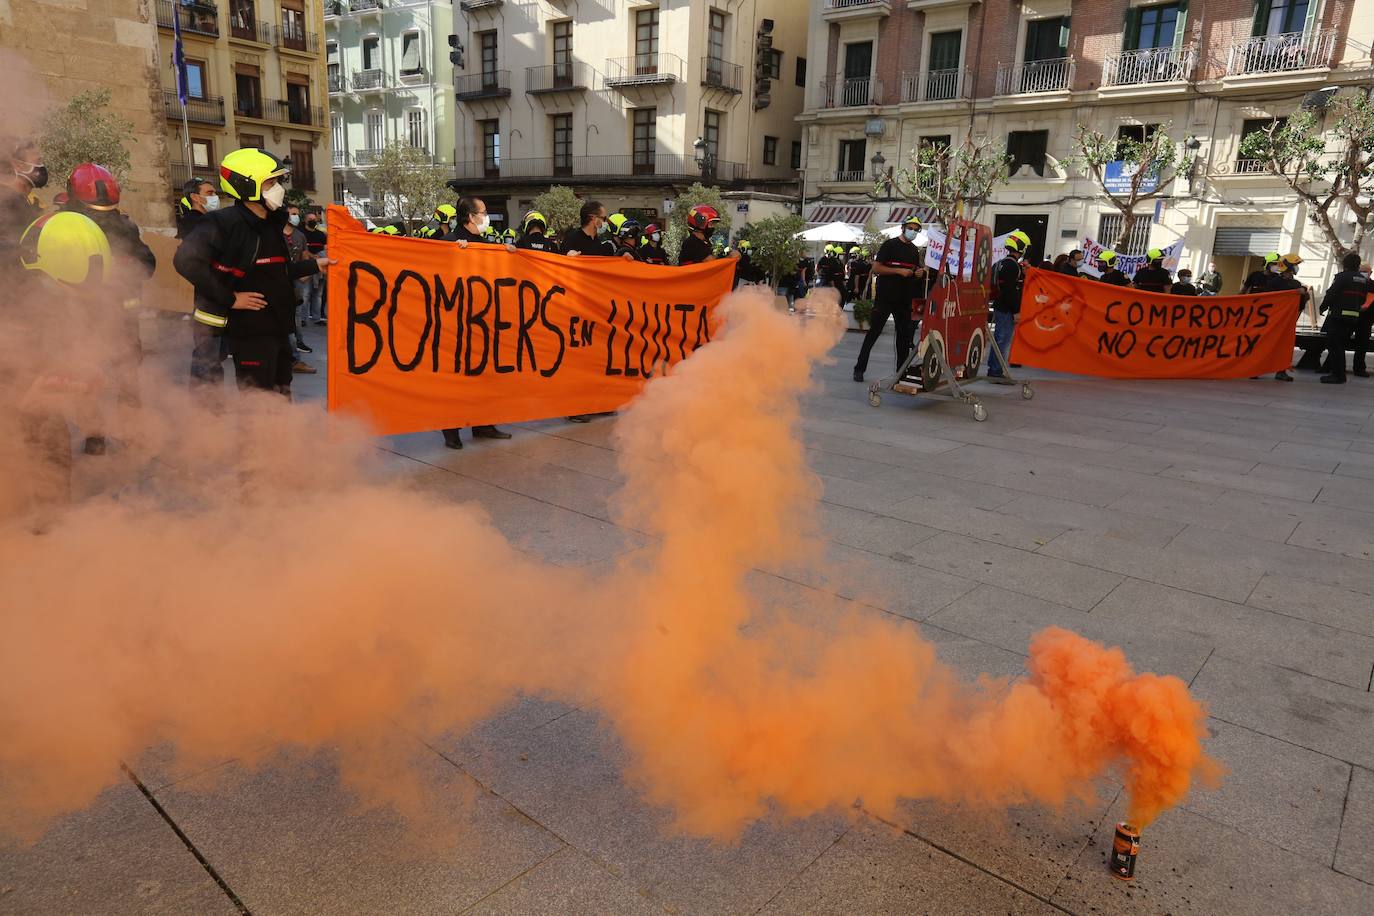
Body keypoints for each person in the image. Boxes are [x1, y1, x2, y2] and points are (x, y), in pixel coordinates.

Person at [174, 148, 331, 398]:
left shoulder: (271, 223)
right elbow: (185, 261)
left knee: (280, 398)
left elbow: (275, 270)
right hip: (251, 332)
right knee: (257, 404)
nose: (278, 188)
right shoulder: (223, 223)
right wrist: (231, 298)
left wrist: (314, 266)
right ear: (246, 185)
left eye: (278, 181)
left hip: (278, 328)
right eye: (270, 182)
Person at [13, 211, 116, 515]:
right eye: (70, 288)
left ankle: (51, 521)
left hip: (35, 381)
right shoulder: (12, 290)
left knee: (49, 439)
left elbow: (59, 337)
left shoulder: (53, 286)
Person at [437, 196, 514, 448]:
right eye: (483, 212)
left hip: (485, 320)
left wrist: (511, 256)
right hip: (457, 323)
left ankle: (483, 423)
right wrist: (453, 255)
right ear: (470, 216)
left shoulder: (484, 243)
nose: (486, 216)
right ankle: (451, 429)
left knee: (485, 375)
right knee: (457, 377)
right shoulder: (449, 242)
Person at [852, 216, 925, 382]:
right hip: (885, 297)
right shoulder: (889, 245)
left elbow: (913, 274)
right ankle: (859, 368)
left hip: (904, 299)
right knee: (873, 333)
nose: (913, 231)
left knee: (903, 338)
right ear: (903, 228)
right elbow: (876, 268)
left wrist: (919, 273)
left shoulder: (914, 251)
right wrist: (898, 271)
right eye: (911, 228)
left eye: (916, 229)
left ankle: (901, 372)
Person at [1319, 252, 1373, 384]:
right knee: (1340, 346)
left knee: (1335, 346)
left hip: (1339, 316)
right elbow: (1362, 298)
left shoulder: (1342, 277)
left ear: (1345, 264)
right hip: (1353, 317)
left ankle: (1337, 375)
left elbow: (1331, 293)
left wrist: (1323, 307)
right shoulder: (1363, 280)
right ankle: (1338, 374)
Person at [986, 234, 1026, 384]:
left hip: (1000, 306)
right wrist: (1016, 311)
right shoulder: (1012, 266)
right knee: (1002, 340)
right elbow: (1010, 290)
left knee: (999, 340)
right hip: (1006, 309)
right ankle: (995, 371)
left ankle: (994, 369)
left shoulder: (1003, 263)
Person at [282, 204, 316, 373]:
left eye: (297, 214)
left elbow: (304, 257)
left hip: (295, 283)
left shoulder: (300, 236)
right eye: (293, 214)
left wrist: (303, 278)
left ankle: (295, 355)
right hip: (279, 283)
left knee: (294, 319)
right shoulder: (275, 234)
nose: (296, 217)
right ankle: (291, 356)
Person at [0, 136, 45, 262]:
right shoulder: (6, 202)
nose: (42, 167)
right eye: (38, 161)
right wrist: (19, 250)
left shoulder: (24, 200)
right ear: (18, 165)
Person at [1268, 254, 1309, 382]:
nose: (1297, 268)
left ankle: (1281, 371)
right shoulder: (1274, 282)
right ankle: (1256, 369)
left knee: (1284, 347)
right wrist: (1298, 290)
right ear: (1289, 266)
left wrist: (1304, 292)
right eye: (1296, 265)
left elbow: (1301, 302)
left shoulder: (1296, 283)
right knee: (1267, 345)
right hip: (1273, 321)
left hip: (1288, 323)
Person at [301, 210, 327, 324]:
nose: (313, 221)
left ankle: (317, 318)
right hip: (306, 266)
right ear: (305, 221)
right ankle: (303, 318)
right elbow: (302, 250)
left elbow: (326, 248)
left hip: (319, 268)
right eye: (310, 220)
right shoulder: (301, 234)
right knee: (305, 293)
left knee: (318, 294)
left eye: (314, 220)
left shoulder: (321, 235)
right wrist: (313, 256)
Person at [1353, 262, 1374, 378]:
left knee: (1362, 346)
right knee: (1339, 343)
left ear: (1370, 273)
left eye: (1365, 272)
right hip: (1350, 317)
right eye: (1361, 271)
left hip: (1366, 320)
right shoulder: (1354, 283)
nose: (1363, 274)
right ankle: (1330, 365)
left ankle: (1359, 369)